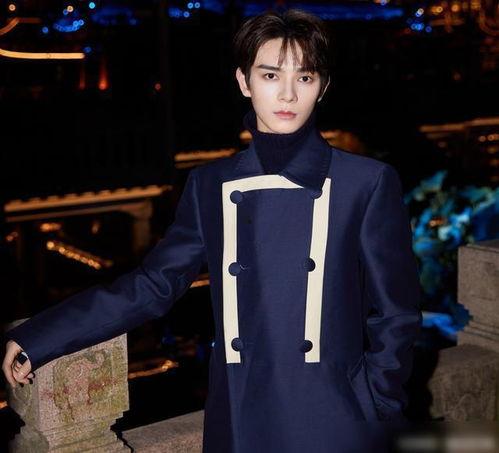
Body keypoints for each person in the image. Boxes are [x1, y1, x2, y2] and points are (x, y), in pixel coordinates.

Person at [2, 8, 422, 453]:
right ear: (244, 82)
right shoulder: (210, 184)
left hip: (336, 420)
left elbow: (396, 311)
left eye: (304, 77)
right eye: (270, 75)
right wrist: (41, 336)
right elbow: (153, 286)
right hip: (241, 419)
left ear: (323, 87)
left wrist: (377, 403)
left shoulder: (366, 182)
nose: (287, 94)